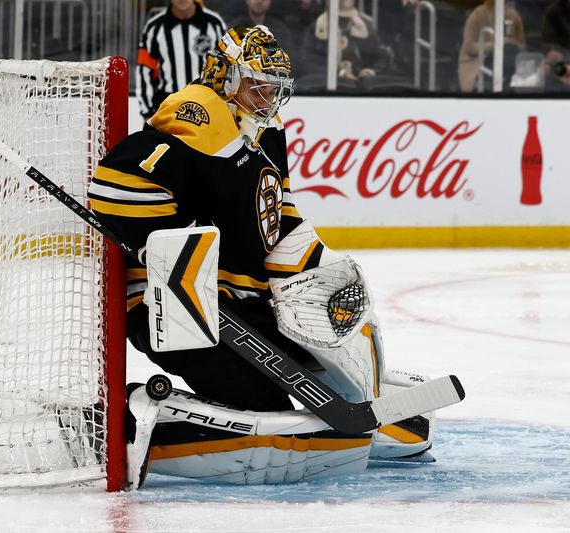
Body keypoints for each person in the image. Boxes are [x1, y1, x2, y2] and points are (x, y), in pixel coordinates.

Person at [90, 25, 435, 488]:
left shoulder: (264, 133)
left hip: (238, 303)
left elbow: (277, 212)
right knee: (267, 408)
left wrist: (315, 265)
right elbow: (115, 190)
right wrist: (166, 242)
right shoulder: (196, 118)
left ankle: (355, 401)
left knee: (320, 350)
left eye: (276, 88)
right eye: (259, 85)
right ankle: (139, 414)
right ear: (228, 77)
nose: (269, 97)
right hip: (174, 307)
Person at [136, 0, 227, 119]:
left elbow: (227, 68)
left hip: (207, 106)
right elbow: (144, 71)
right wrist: (147, 113)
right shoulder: (154, 27)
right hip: (166, 108)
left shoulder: (215, 24)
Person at [457, 0, 525, 92]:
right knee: (506, 50)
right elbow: (469, 47)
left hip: (507, 61)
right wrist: (496, 44)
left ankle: (506, 85)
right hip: (478, 61)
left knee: (509, 49)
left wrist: (513, 42)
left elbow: (522, 45)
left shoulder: (513, 15)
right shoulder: (477, 14)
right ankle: (504, 85)